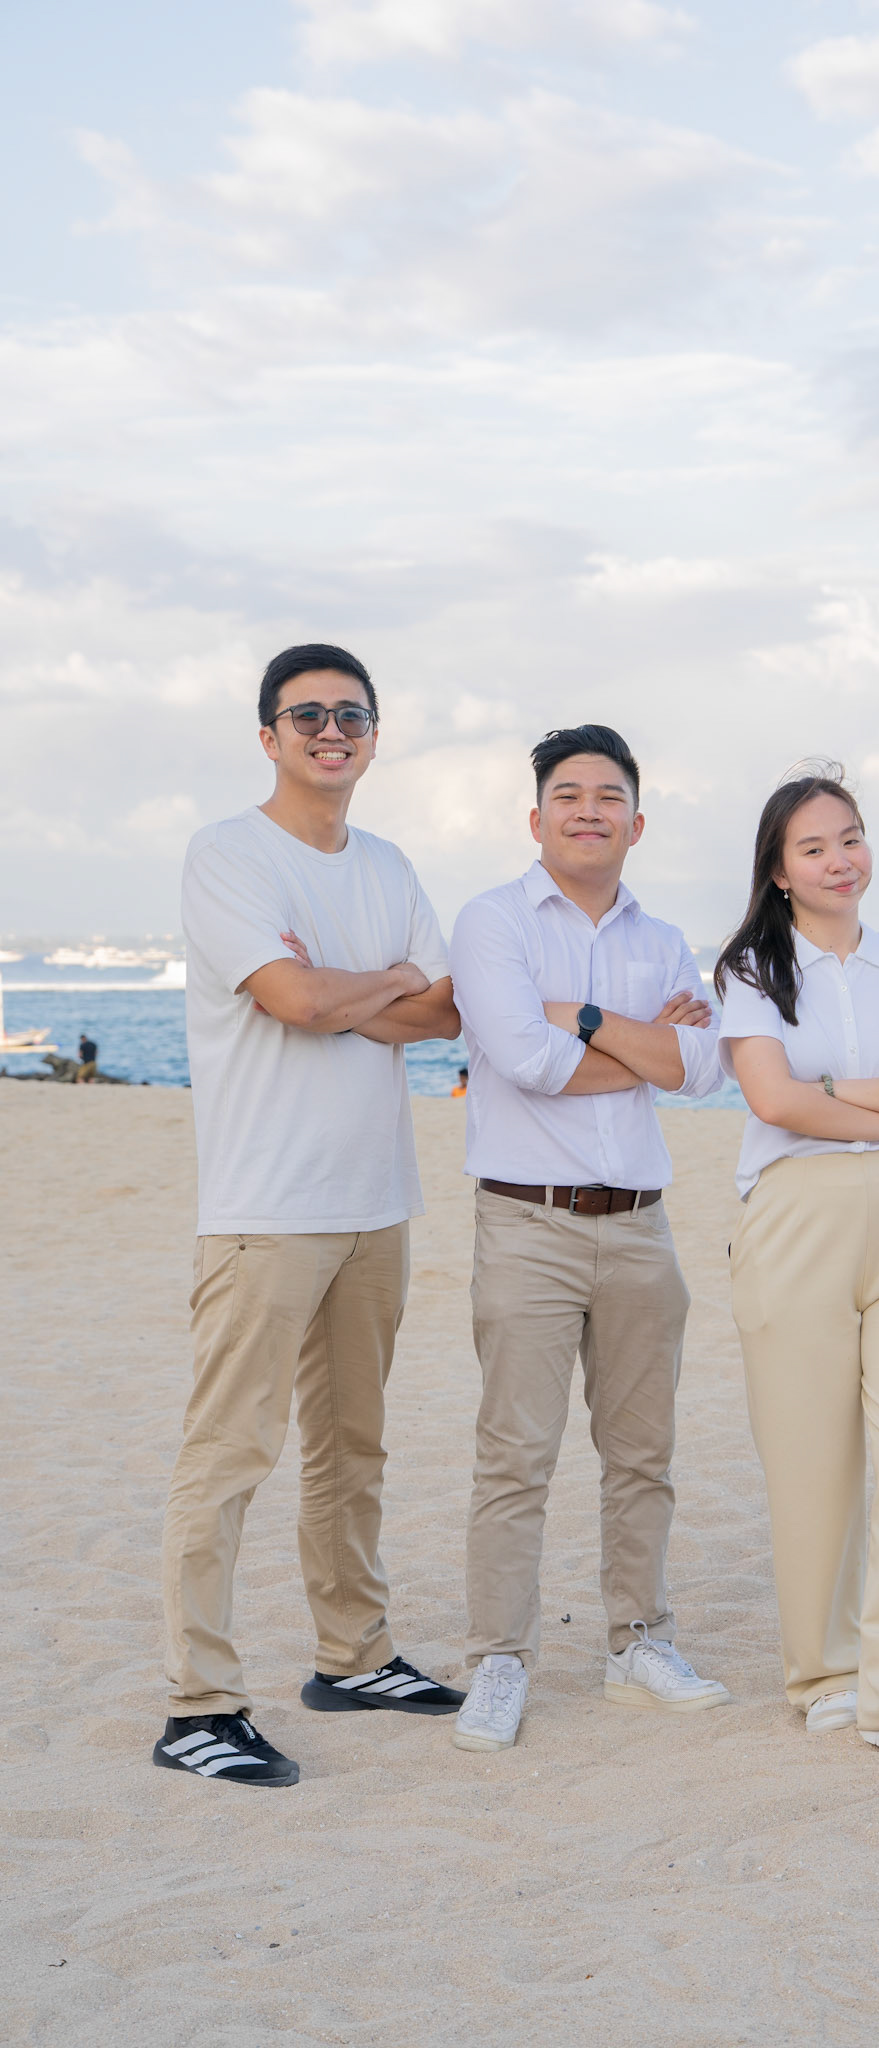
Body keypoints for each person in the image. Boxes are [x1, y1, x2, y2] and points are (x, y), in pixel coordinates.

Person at [155, 643, 466, 1790]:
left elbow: (445, 1013)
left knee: (352, 1444)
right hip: (266, 1206)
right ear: (269, 735)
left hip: (376, 1200)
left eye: (352, 714)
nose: (332, 730)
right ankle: (199, 1701)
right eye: (308, 714)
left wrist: (342, 989)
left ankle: (354, 1654)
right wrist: (366, 983)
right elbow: (287, 998)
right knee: (230, 1450)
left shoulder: (387, 862)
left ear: (374, 735)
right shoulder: (227, 853)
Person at [447, 723, 731, 1752]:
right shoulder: (492, 921)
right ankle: (499, 1659)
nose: (588, 810)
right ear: (536, 818)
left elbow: (704, 1068)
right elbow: (524, 1059)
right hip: (527, 1222)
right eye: (568, 794)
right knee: (515, 1456)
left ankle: (637, 1641)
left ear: (636, 823)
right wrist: (648, 1042)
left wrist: (589, 1016)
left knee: (642, 1453)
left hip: (641, 1227)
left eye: (609, 795)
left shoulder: (662, 938)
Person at [715, 769, 879, 1764]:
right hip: (794, 1216)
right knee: (810, 1460)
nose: (840, 860)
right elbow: (773, 1103)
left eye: (852, 837)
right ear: (780, 871)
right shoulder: (750, 969)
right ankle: (824, 1673)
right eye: (815, 847)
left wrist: (833, 1086)